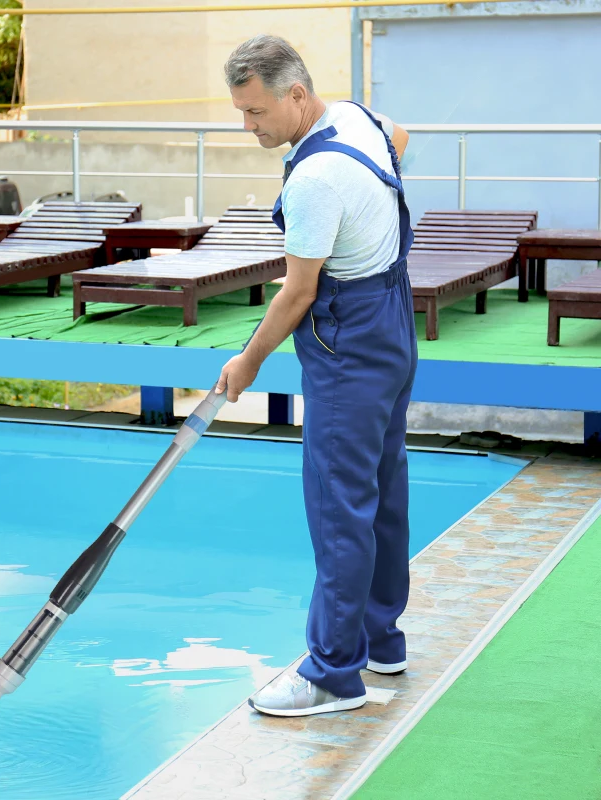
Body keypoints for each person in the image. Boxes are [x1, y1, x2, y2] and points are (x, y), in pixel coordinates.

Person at [215, 34, 417, 717]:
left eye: (255, 112)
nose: (248, 127)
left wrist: (246, 363)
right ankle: (381, 638)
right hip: (394, 322)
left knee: (340, 509)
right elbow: (402, 136)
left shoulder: (312, 180)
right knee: (383, 487)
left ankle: (333, 673)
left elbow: (297, 294)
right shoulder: (358, 118)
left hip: (348, 343)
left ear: (295, 96)